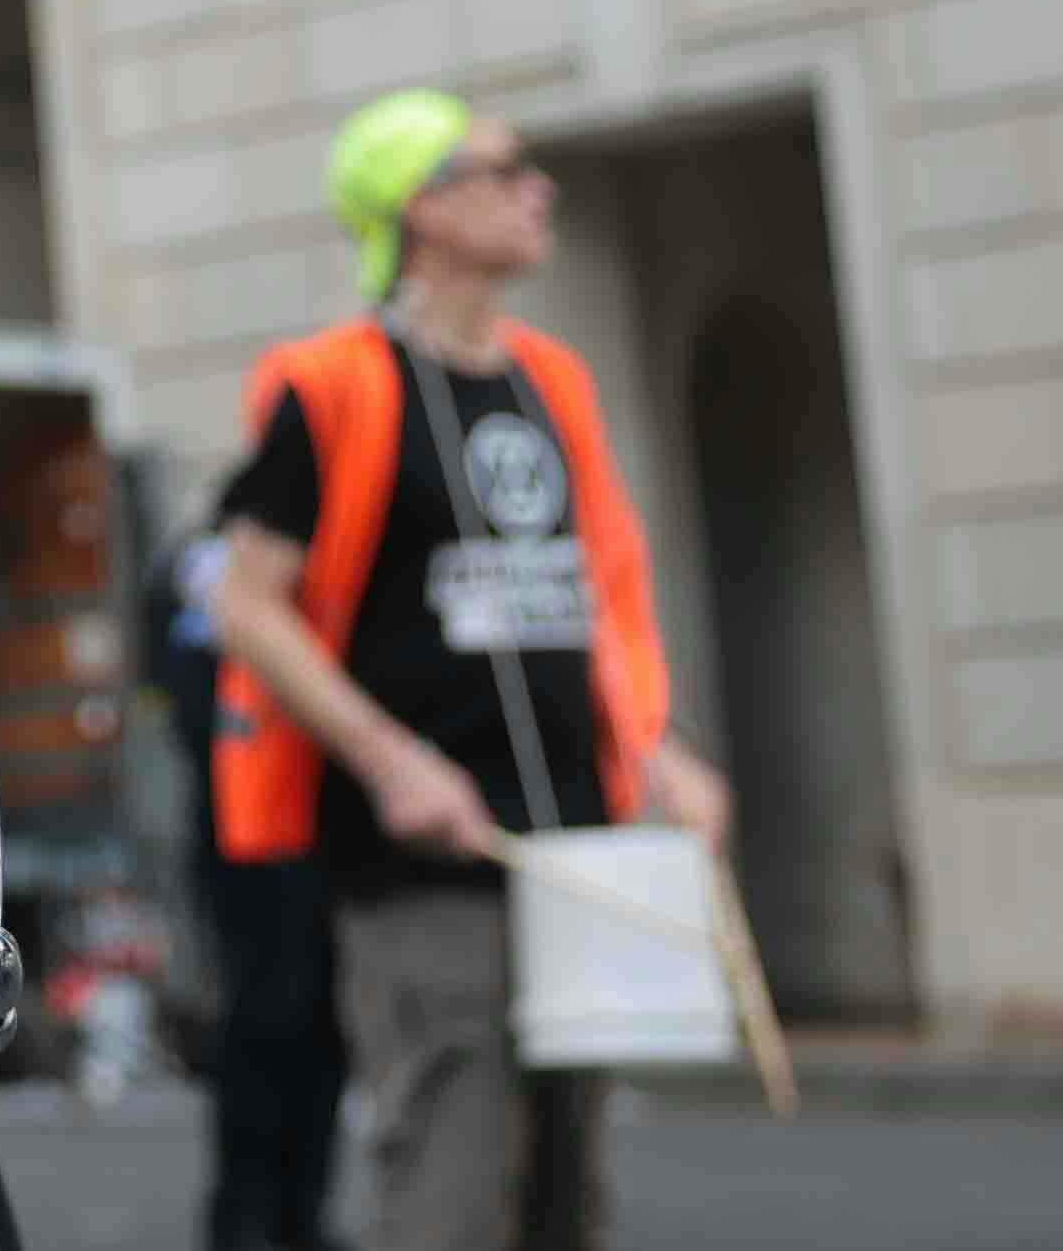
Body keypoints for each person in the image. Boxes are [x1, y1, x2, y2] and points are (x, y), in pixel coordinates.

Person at [207, 93, 734, 1251]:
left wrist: (661, 749)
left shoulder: (555, 380)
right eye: (508, 168)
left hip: (571, 841)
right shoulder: (329, 386)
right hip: (419, 856)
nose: (539, 188)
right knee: (449, 1176)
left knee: (568, 1186)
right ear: (425, 207)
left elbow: (596, 594)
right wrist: (392, 763)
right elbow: (247, 607)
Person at [146, 498, 347, 1251]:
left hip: (313, 831)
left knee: (318, 1025)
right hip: (243, 840)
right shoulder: (210, 572)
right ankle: (245, 1211)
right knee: (265, 1019)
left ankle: (298, 1211)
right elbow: (192, 704)